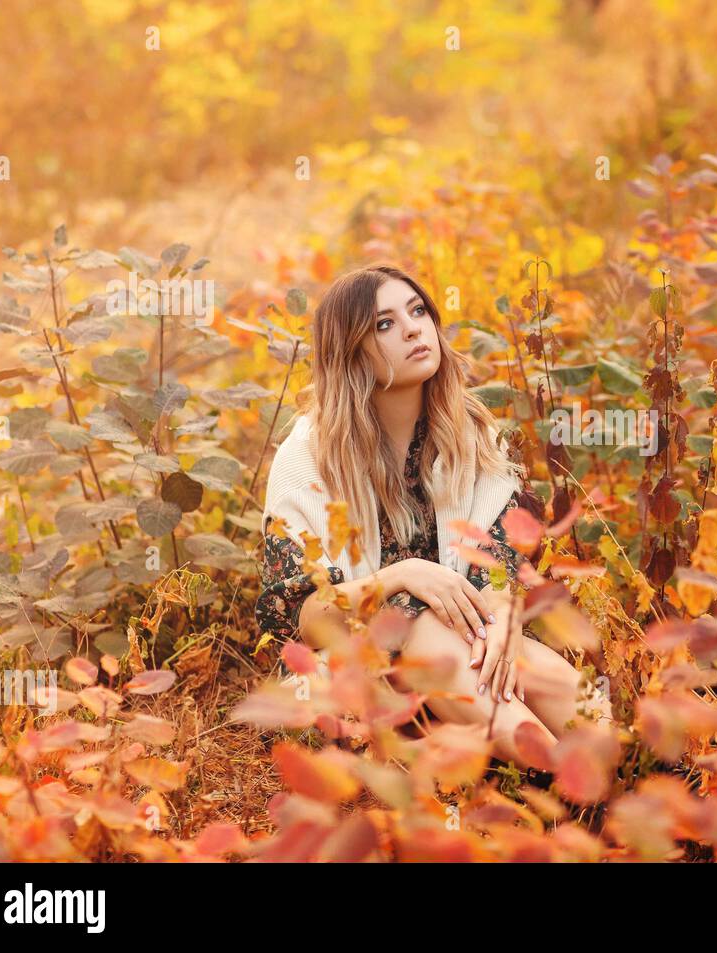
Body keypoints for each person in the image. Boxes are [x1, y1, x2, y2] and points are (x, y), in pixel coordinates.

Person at [255, 265, 607, 767]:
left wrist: (504, 615)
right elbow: (307, 619)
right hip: (353, 678)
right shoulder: (308, 457)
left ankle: (636, 770)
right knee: (415, 619)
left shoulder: (470, 438)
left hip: (467, 661)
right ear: (349, 352)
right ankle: (570, 782)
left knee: (527, 662)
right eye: (384, 324)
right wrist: (401, 576)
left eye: (418, 311)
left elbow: (498, 568)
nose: (413, 329)